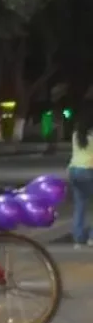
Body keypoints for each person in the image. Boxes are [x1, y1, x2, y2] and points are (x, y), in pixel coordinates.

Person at [69, 98, 93, 247]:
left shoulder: (76, 134)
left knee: (80, 205)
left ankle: (78, 236)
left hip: (74, 170)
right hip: (88, 171)